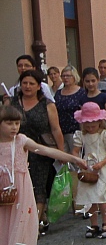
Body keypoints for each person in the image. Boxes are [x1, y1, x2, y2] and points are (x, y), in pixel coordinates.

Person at [0, 105, 88, 245]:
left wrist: (73, 159)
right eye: (9, 123)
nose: (14, 127)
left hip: (22, 193)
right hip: (3, 193)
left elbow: (46, 150)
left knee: (22, 229)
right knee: (4, 230)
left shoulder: (22, 141)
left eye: (16, 123)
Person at [12, 70, 65, 236]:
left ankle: (33, 227)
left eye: (31, 83)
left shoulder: (47, 104)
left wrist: (60, 152)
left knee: (38, 188)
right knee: (21, 188)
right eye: (24, 83)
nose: (27, 86)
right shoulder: (13, 103)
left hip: (40, 151)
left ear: (38, 86)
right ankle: (40, 218)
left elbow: (56, 129)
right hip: (17, 151)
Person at [71, 102, 106, 239]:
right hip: (88, 167)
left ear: (99, 122)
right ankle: (93, 224)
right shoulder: (81, 135)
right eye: (87, 126)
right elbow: (75, 151)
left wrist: (102, 163)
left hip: (102, 167)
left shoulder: (105, 135)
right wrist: (80, 161)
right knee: (90, 197)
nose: (90, 128)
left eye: (93, 125)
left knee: (101, 196)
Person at [53, 66, 87, 153]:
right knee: (62, 159)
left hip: (75, 131)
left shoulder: (81, 92)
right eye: (63, 76)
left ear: (74, 77)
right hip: (60, 131)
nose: (65, 78)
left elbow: (84, 113)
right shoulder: (58, 93)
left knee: (75, 159)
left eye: (68, 76)